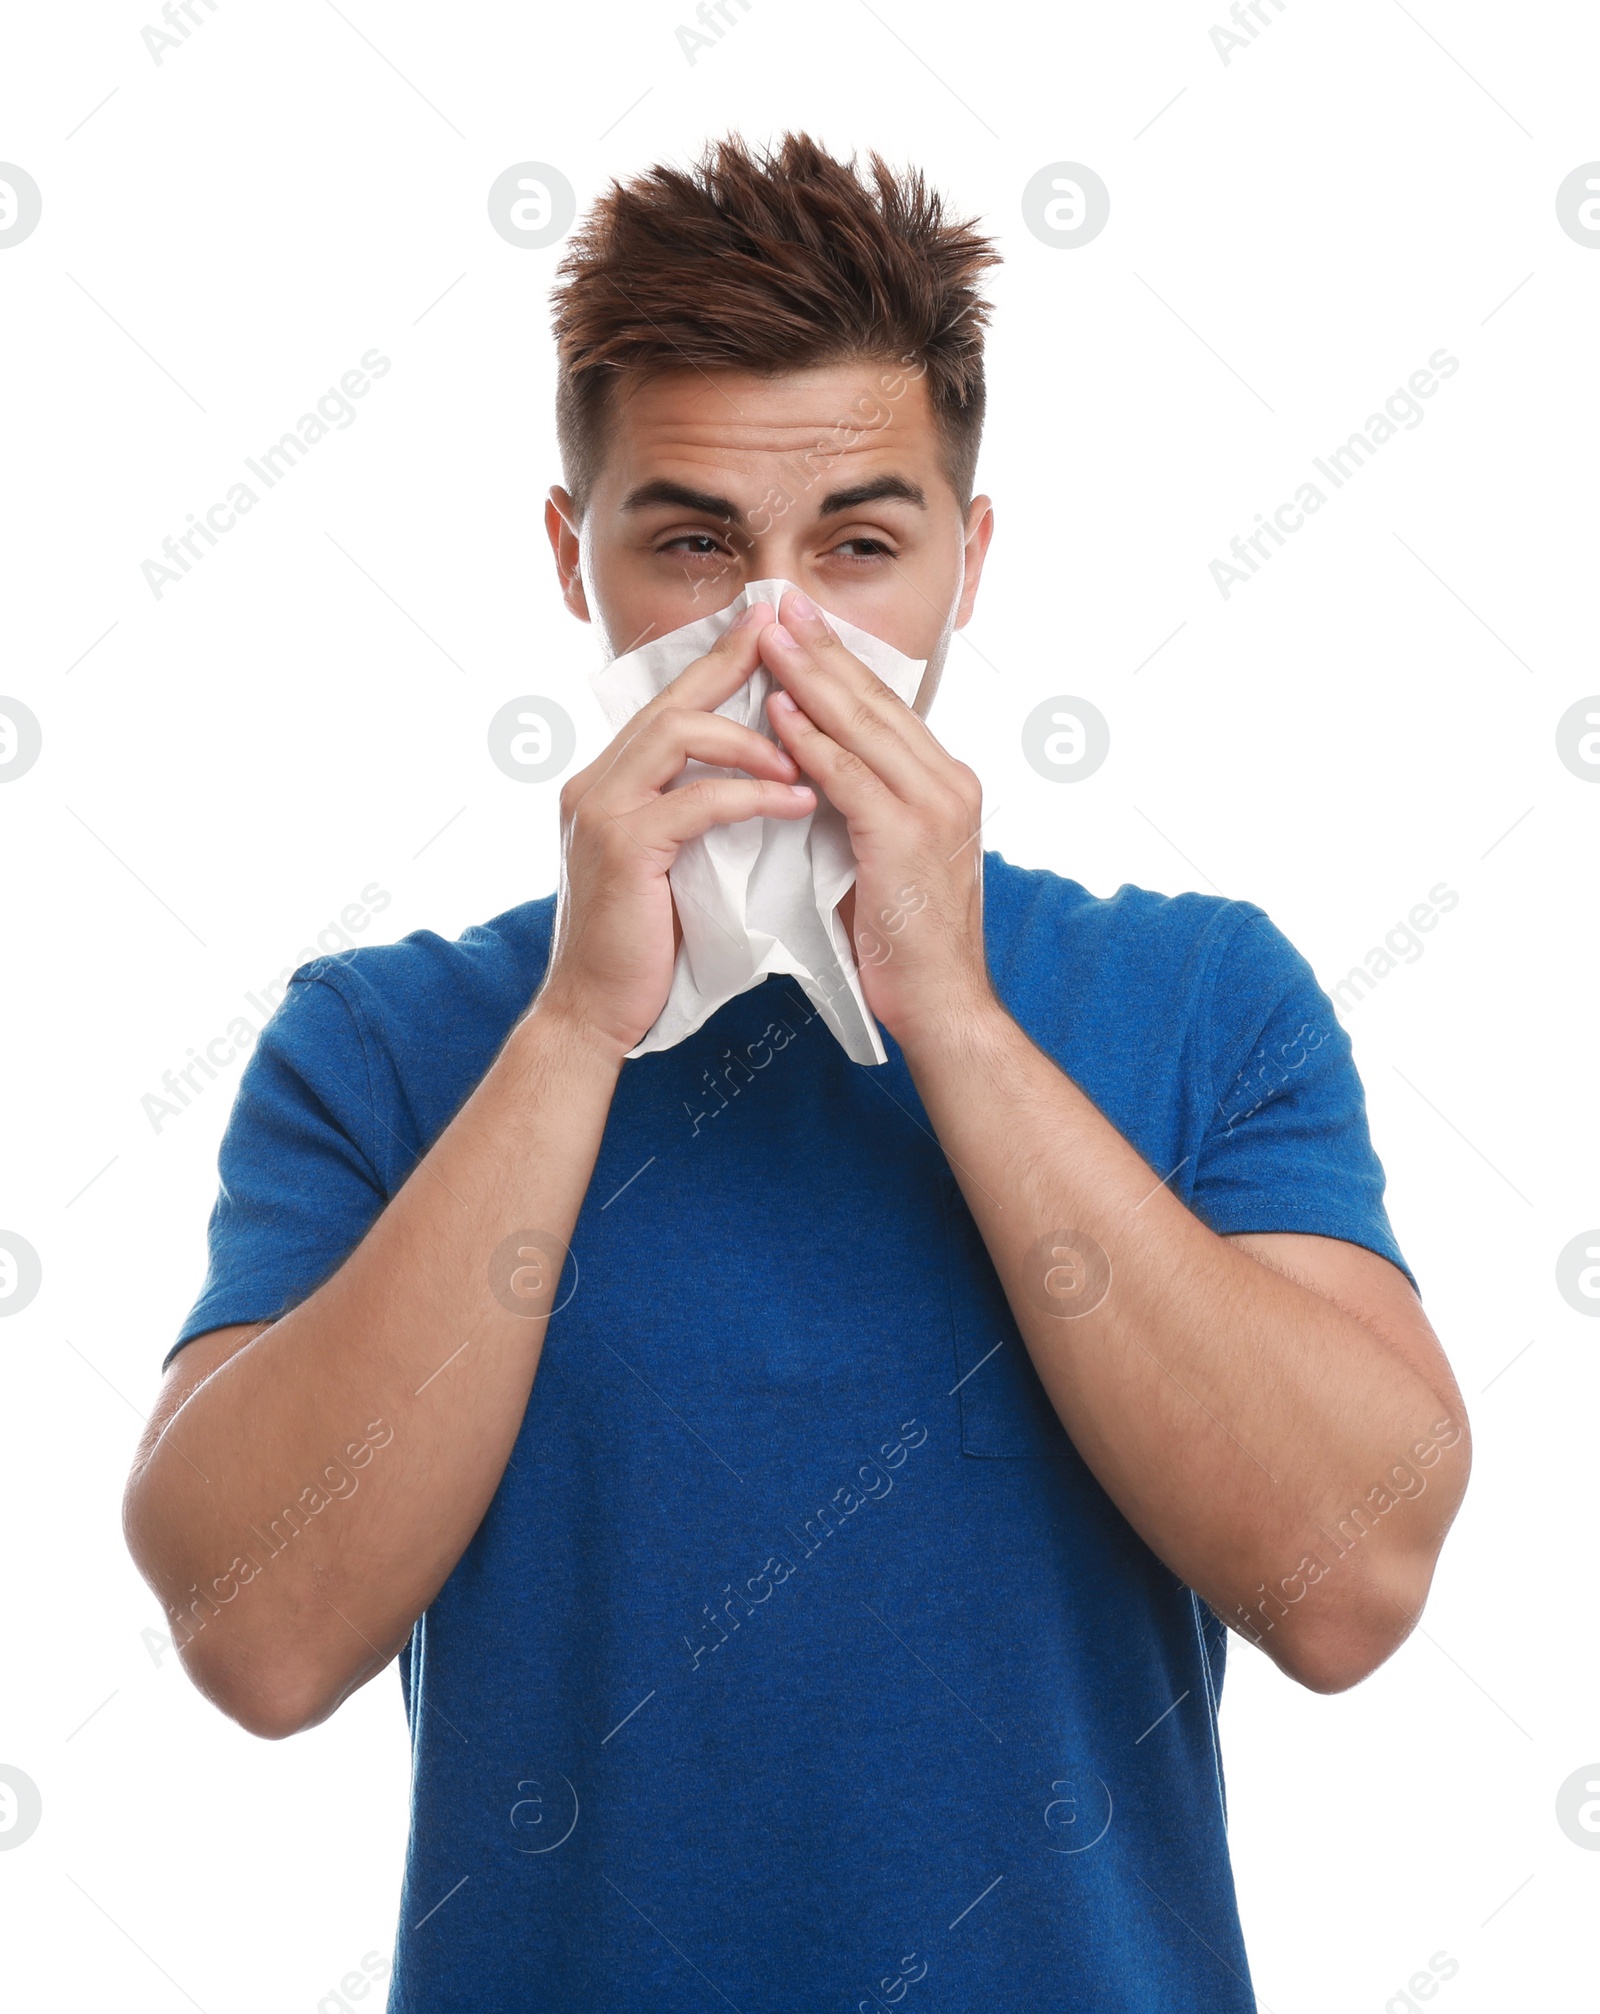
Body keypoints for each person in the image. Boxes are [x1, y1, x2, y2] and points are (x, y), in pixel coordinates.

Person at [124, 130, 1470, 2012]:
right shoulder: (386, 1041)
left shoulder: (1199, 997)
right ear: (567, 554)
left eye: (858, 544)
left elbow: (1353, 1587)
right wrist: (581, 1022)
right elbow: (255, 1635)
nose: (774, 636)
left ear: (968, 560)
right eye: (691, 542)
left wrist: (962, 1019)